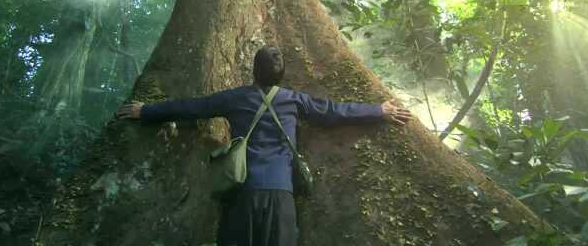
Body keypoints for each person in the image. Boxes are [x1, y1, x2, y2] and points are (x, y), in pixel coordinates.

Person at [117, 46, 412, 246]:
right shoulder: (295, 100)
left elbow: (192, 107)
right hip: (281, 196)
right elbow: (334, 111)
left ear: (253, 71)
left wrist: (146, 111)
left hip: (241, 193)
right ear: (281, 75)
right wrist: (379, 111)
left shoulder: (236, 98)